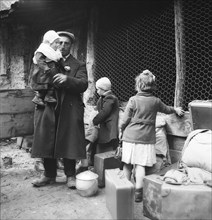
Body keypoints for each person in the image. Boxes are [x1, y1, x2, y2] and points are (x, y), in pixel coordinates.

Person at [31, 30, 88, 189]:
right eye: (60, 42)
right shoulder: (46, 58)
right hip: (48, 105)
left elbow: (83, 84)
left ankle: (70, 175)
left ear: (71, 46)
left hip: (69, 107)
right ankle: (49, 174)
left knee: (69, 140)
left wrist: (67, 79)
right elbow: (36, 75)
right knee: (47, 139)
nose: (62, 46)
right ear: (54, 43)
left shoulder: (78, 64)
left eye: (66, 43)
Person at [119, 70, 184, 202]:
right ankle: (138, 193)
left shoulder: (133, 100)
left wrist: (120, 129)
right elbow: (166, 109)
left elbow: (125, 119)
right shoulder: (155, 101)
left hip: (130, 137)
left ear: (138, 85)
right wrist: (176, 109)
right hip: (146, 139)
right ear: (152, 86)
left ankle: (125, 192)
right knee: (140, 166)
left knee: (127, 165)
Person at [30, 30, 70, 106]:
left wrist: (64, 66)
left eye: (59, 42)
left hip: (52, 71)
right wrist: (45, 68)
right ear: (49, 42)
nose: (58, 45)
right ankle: (38, 98)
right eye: (56, 43)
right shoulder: (43, 50)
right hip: (43, 72)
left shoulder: (56, 51)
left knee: (52, 84)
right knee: (43, 85)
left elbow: (60, 59)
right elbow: (39, 60)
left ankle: (49, 96)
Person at [92, 77, 119, 154]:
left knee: (109, 149)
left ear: (102, 89)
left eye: (98, 89)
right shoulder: (104, 98)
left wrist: (95, 120)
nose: (97, 91)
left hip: (109, 127)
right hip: (105, 127)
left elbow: (105, 111)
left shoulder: (110, 98)